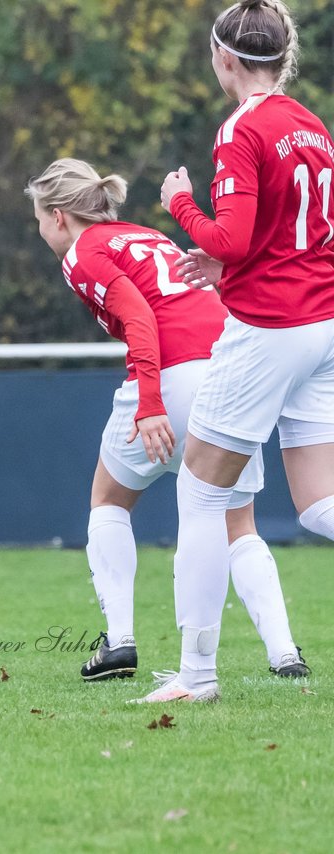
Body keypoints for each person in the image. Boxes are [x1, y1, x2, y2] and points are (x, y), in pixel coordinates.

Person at [26, 158, 307, 686]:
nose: (40, 230)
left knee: (108, 499)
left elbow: (139, 316)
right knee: (237, 521)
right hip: (230, 370)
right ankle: (284, 653)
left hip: (174, 375)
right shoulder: (146, 234)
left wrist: (151, 403)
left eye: (39, 218)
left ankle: (120, 642)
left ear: (59, 216)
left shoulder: (83, 252)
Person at [140, 0, 334, 703]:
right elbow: (295, 233)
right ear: (284, 56)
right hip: (323, 324)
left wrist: (180, 204)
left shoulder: (242, 128)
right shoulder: (312, 124)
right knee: (318, 506)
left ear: (225, 58)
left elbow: (231, 238)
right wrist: (233, 266)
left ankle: (197, 677)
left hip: (272, 330)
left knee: (199, 489)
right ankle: (197, 673)